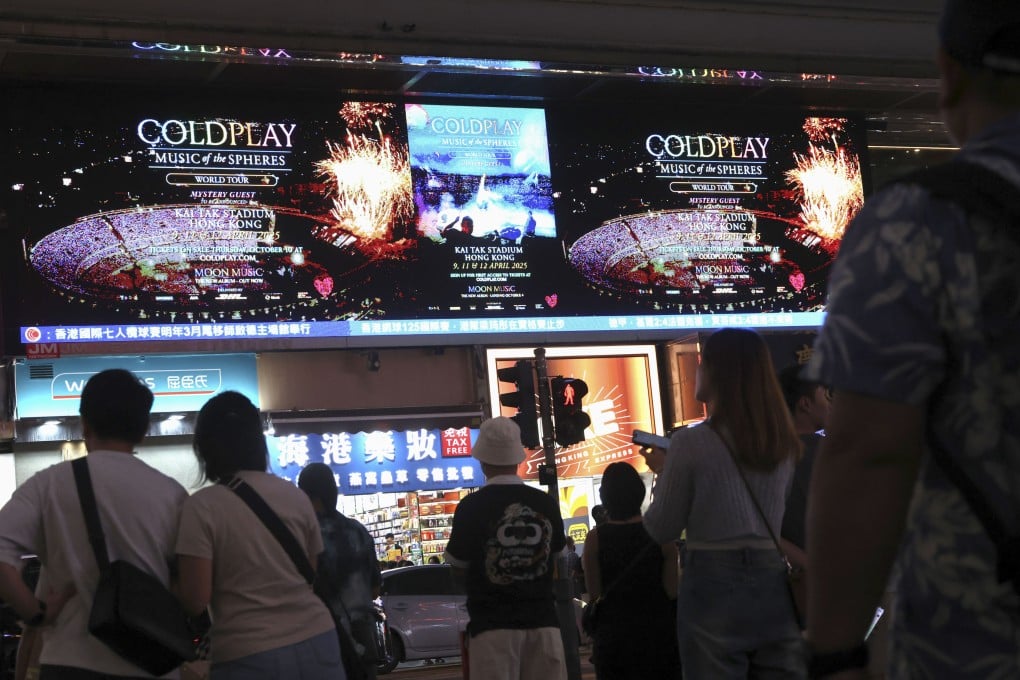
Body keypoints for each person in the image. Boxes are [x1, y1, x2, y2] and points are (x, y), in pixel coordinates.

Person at [803, 2, 1020, 678]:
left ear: (948, 75)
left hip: (982, 636)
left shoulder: (917, 223)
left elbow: (870, 451)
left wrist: (836, 652)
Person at [0, 368, 188, 679]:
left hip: (70, 663)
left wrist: (36, 613)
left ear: (84, 423)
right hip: (153, 662)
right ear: (143, 431)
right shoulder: (173, 494)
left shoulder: (48, 485)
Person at [643, 328, 804, 679]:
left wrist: (662, 473)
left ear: (718, 373)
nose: (697, 370)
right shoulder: (783, 443)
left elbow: (661, 527)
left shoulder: (690, 442)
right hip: (772, 579)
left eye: (702, 364)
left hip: (712, 579)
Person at [175, 391, 343, 679]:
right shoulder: (295, 496)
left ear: (205, 448)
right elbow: (309, 574)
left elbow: (195, 599)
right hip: (319, 640)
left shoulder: (202, 507)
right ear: (258, 442)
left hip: (247, 651)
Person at [444, 417, 567, 680]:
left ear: (482, 461)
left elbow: (458, 569)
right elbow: (556, 559)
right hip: (543, 623)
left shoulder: (470, 507)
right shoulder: (545, 503)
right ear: (518, 459)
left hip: (491, 629)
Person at [583, 462, 680, 680]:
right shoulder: (660, 534)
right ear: (639, 491)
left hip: (614, 637)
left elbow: (595, 593)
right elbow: (672, 591)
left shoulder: (595, 539)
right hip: (658, 634)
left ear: (605, 496)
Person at [299, 462, 382, 680]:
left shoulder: (302, 534)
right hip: (363, 644)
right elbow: (374, 590)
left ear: (304, 493)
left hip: (322, 645)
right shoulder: (359, 531)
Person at [777, 364, 831, 618]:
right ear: (805, 404)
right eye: (824, 396)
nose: (829, 404)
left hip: (788, 588)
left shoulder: (763, 457)